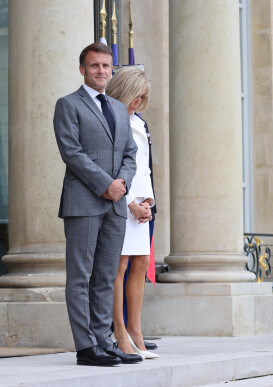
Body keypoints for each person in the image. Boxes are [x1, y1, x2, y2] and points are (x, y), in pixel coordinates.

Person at [53, 42, 142, 366]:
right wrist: (105, 184)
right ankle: (86, 347)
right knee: (81, 277)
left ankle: (105, 341)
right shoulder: (68, 105)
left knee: (105, 277)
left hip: (115, 205)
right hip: (84, 202)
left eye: (106, 66)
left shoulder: (118, 108)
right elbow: (71, 152)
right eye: (95, 66)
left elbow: (130, 154)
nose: (101, 71)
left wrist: (120, 185)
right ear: (83, 69)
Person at [106, 67, 158, 359]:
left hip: (141, 205)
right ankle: (120, 332)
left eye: (143, 97)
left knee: (141, 263)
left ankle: (136, 331)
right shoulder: (112, 119)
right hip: (121, 203)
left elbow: (145, 167)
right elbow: (113, 168)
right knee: (120, 265)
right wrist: (130, 203)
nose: (138, 102)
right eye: (136, 96)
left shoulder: (139, 122)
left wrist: (148, 202)